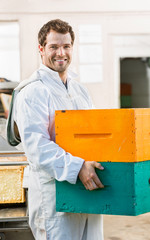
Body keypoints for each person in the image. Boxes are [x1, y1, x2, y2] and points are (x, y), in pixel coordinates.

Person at [13, 19, 104, 240]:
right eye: (53, 47)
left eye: (66, 46)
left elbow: (92, 136)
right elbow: (37, 148)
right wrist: (78, 167)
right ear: (41, 49)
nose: (60, 53)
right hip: (53, 199)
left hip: (87, 192)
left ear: (72, 47)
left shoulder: (80, 90)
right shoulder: (33, 92)